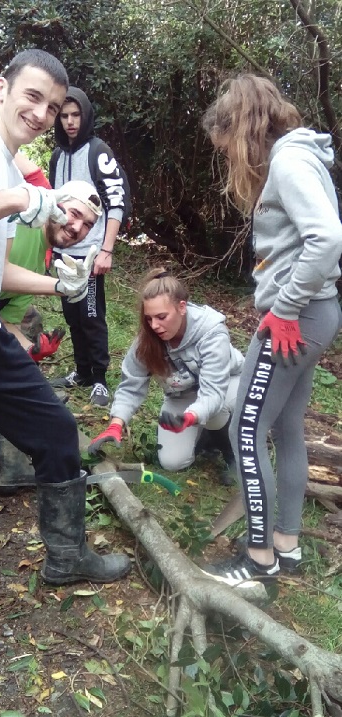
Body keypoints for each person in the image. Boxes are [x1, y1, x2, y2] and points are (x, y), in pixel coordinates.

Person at [0, 48, 131, 644]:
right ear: (1, 87)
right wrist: (22, 199)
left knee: (53, 432)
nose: (43, 112)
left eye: (53, 105)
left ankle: (66, 556)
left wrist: (59, 282)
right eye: (33, 96)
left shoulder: (8, 158)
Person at [200, 74, 342, 586]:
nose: (230, 160)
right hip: (315, 313)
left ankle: (258, 559)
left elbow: (326, 239)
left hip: (297, 319)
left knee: (245, 426)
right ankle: (288, 544)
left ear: (242, 127)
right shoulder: (300, 158)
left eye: (227, 148)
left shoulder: (288, 161)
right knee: (286, 428)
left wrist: (283, 308)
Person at [88, 269, 244, 479]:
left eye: (161, 317)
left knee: (215, 413)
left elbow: (213, 393)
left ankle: (231, 451)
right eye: (149, 318)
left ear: (182, 307)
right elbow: (130, 386)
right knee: (172, 463)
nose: (154, 326)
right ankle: (204, 437)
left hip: (230, 384)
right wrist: (116, 424)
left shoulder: (211, 333)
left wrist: (190, 417)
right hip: (184, 395)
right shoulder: (148, 339)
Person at [48, 87, 130, 407]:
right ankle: (82, 371)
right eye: (64, 116)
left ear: (85, 116)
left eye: (75, 115)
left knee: (92, 316)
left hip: (93, 253)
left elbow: (117, 201)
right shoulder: (57, 156)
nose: (70, 122)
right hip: (63, 253)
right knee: (72, 314)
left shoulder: (99, 152)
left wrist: (107, 249)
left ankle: (99, 378)